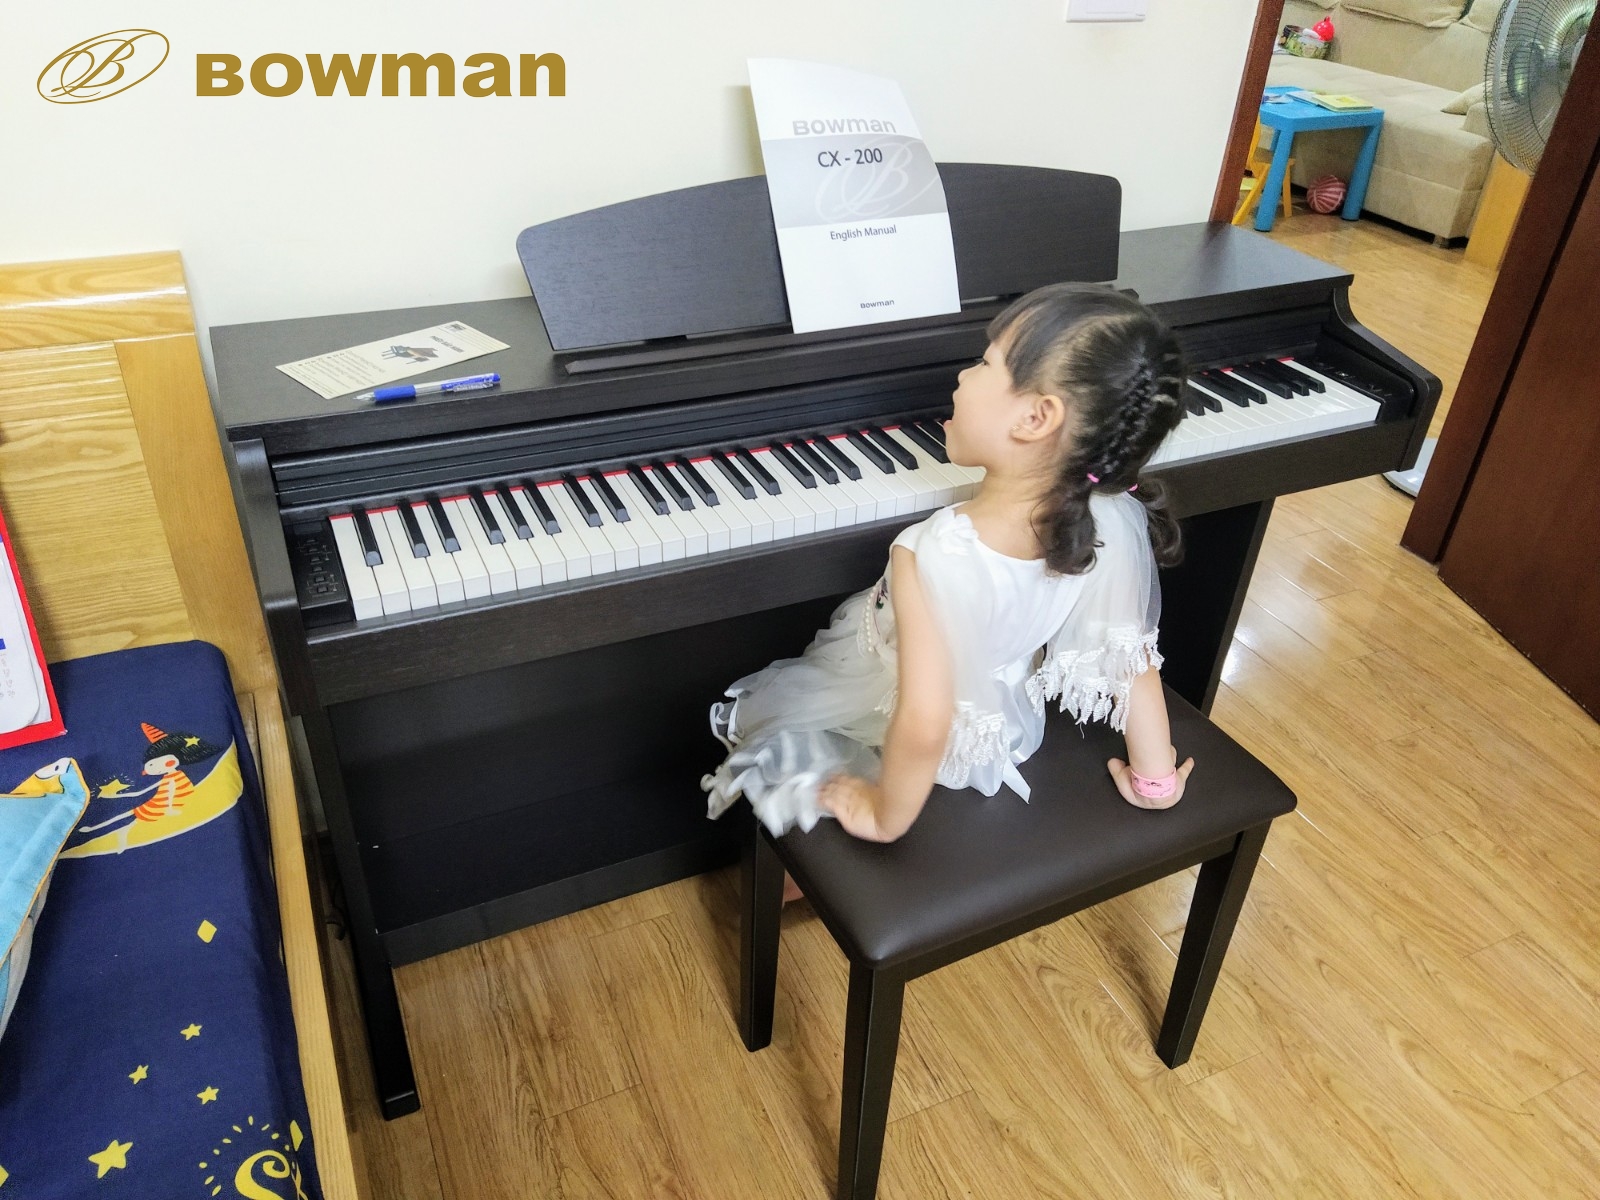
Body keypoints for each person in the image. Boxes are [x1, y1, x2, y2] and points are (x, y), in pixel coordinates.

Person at [700, 283, 1196, 846]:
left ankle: (803, 876)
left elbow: (925, 717)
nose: (962, 375)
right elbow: (1130, 659)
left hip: (887, 712)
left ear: (1036, 417)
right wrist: (1155, 778)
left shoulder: (933, 550)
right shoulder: (1107, 512)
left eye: (985, 362)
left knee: (782, 750)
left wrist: (883, 816)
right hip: (1001, 723)